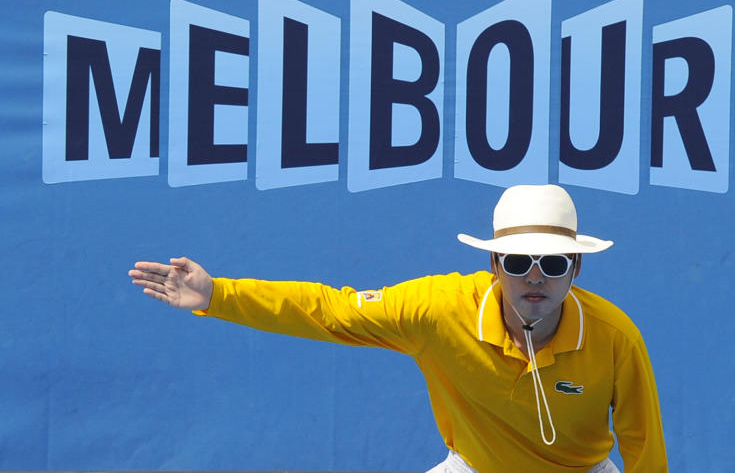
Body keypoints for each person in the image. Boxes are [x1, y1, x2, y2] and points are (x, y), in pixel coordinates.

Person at [129, 184, 668, 472]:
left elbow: (643, 445)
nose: (535, 276)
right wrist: (218, 294)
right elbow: (329, 310)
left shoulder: (615, 337)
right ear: (494, 265)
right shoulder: (438, 309)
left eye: (553, 264)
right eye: (519, 260)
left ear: (576, 269)